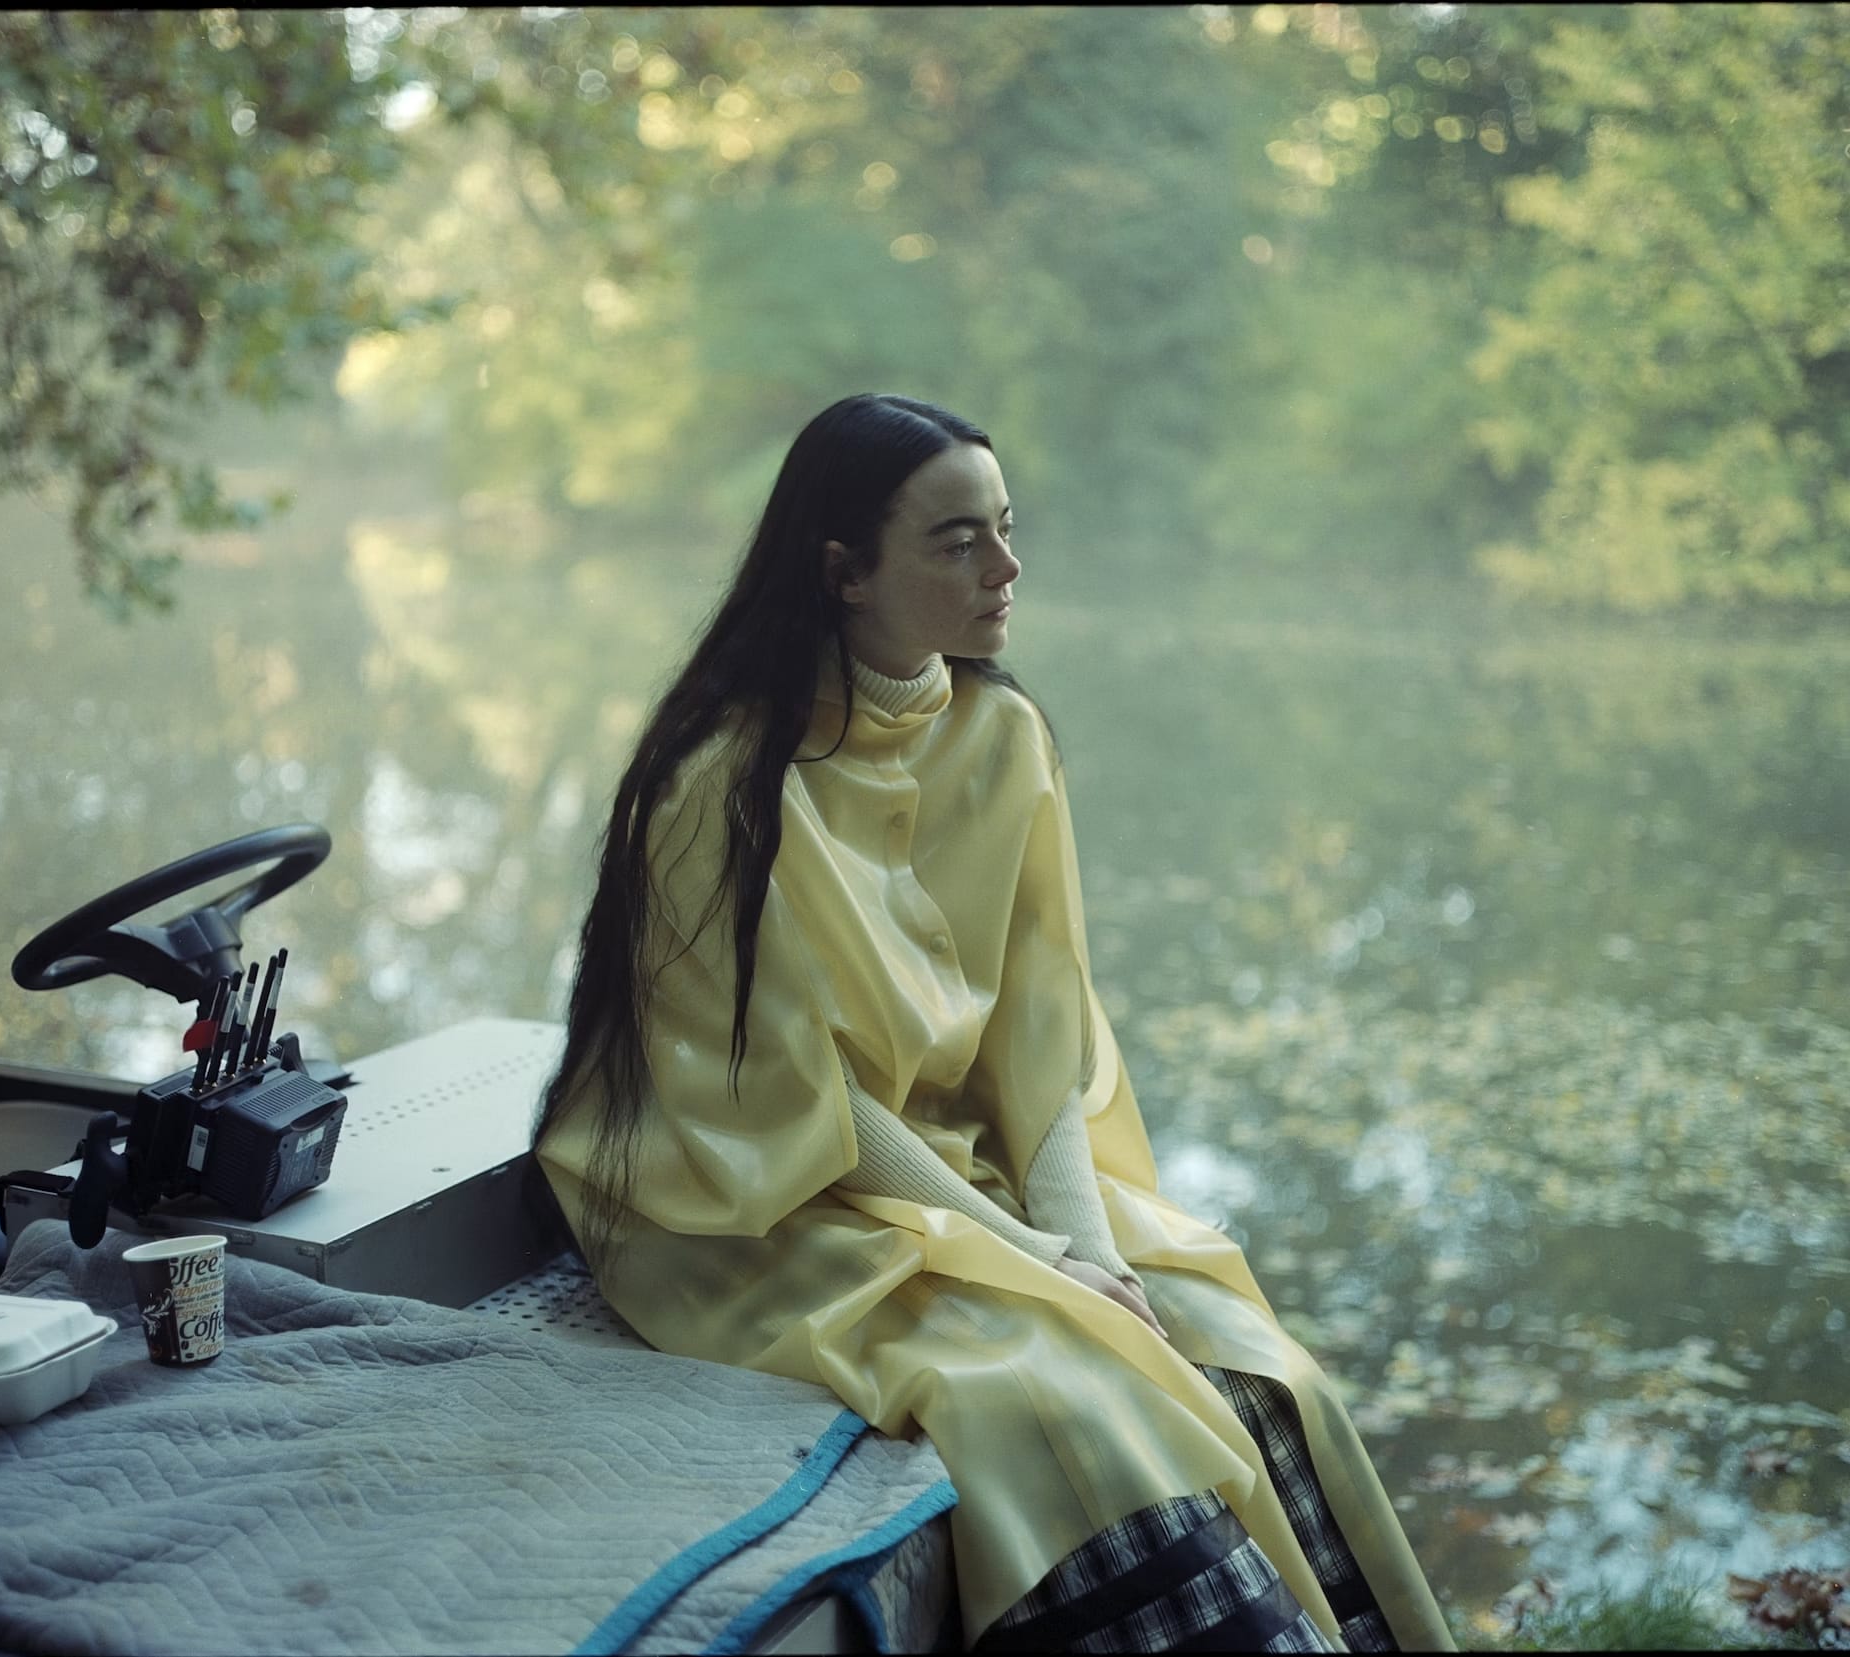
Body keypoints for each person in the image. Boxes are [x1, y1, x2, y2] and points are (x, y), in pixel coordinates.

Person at [534, 394, 1454, 1653]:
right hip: (761, 1202)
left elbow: (1044, 1045)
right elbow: (805, 1115)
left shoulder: (1003, 733)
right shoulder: (719, 784)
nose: (1006, 570)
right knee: (1058, 1396)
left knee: (1245, 1358)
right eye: (957, 541)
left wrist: (1086, 1250)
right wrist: (1031, 1269)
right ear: (842, 573)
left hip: (964, 1174)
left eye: (1006, 530)